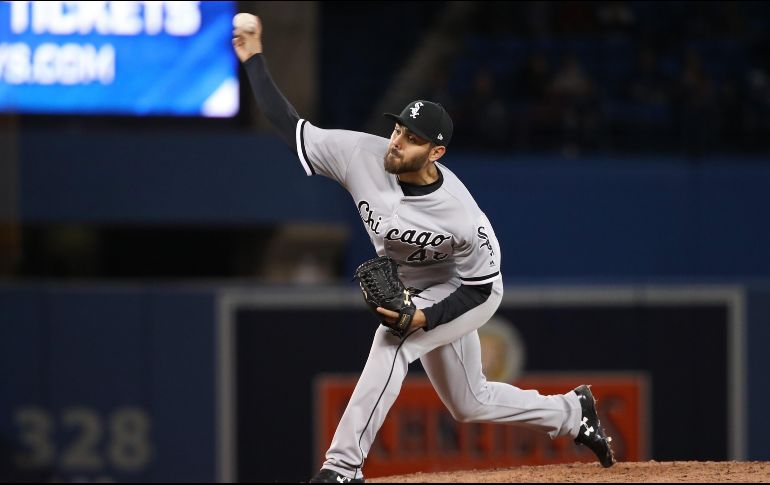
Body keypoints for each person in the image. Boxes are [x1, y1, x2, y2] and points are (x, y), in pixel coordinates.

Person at [231, 14, 616, 483]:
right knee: (468, 402)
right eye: (398, 130)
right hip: (416, 285)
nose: (397, 142)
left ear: (436, 153)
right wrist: (253, 60)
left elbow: (479, 287)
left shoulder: (461, 215)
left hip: (466, 290)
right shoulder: (360, 155)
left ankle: (342, 468)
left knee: (393, 344)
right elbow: (291, 127)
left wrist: (423, 318)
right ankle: (573, 413)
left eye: (413, 139)